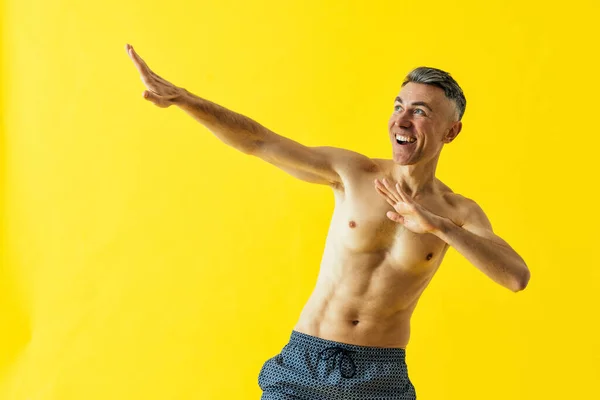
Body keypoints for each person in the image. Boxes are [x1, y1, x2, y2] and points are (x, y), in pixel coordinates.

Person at [125, 43, 530, 399]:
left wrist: (437, 226)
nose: (401, 120)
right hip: (306, 359)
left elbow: (516, 277)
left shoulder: (457, 213)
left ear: (451, 132)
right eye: (398, 107)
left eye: (420, 112)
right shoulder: (354, 174)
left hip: (380, 377)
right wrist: (184, 99)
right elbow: (260, 141)